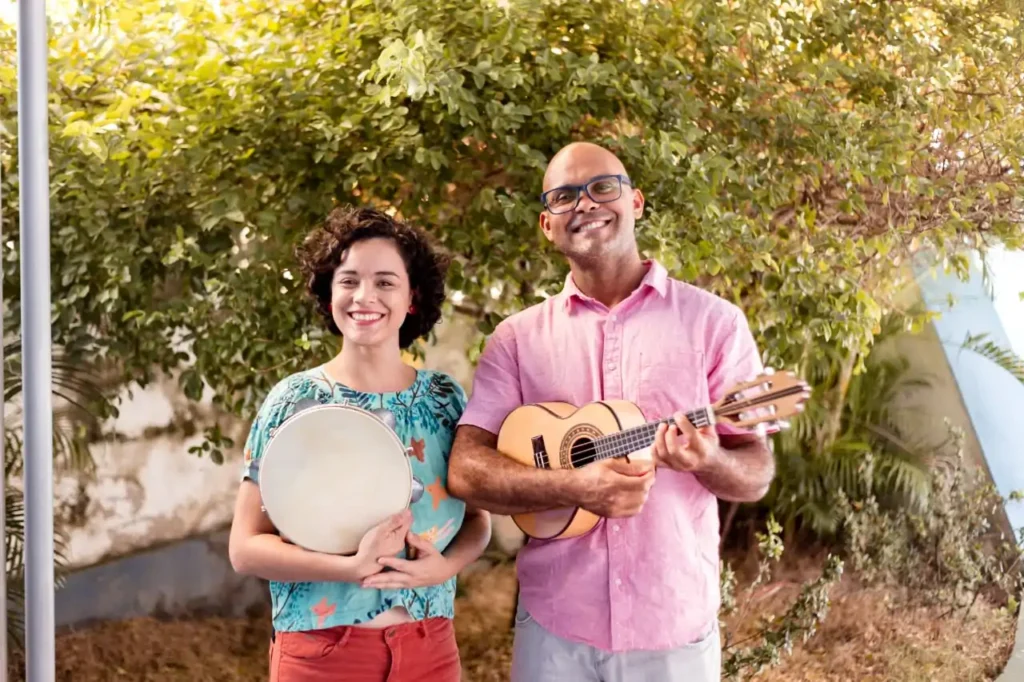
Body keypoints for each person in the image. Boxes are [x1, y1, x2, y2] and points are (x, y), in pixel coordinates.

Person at [446, 142, 777, 681]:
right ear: (546, 225)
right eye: (564, 197)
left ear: (636, 202)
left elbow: (756, 473)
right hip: (554, 627)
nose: (585, 204)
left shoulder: (715, 324)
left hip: (671, 628)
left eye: (603, 187)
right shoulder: (516, 340)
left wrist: (708, 459)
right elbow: (466, 471)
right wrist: (573, 488)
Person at [229, 206, 491, 682]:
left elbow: (478, 522)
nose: (364, 296)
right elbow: (245, 548)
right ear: (329, 293)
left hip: (430, 648)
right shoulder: (295, 399)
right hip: (322, 654)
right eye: (348, 280)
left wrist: (443, 568)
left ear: (412, 298)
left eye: (385, 282)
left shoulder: (444, 398)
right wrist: (350, 567)